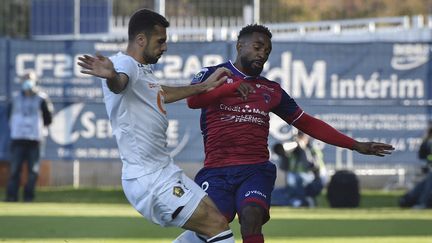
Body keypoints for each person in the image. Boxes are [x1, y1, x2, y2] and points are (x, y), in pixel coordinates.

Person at [181, 24, 395, 243]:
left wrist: (354, 144)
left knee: (251, 215)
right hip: (217, 170)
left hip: (254, 169)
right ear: (239, 45)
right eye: (257, 47)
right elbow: (193, 101)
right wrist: (228, 88)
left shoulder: (271, 90)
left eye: (267, 51)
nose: (262, 54)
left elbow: (307, 123)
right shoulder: (213, 74)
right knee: (213, 225)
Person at [77, 9, 235, 243]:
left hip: (164, 170)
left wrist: (203, 87)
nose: (165, 47)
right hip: (148, 178)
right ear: (141, 40)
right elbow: (120, 83)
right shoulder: (125, 64)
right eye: (160, 41)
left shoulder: (143, 71)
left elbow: (161, 92)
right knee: (216, 227)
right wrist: (111, 76)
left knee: (216, 222)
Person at [5, 72, 53, 202]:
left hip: (35, 139)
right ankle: (11, 197)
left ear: (35, 81)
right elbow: (9, 115)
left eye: (30, 80)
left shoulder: (42, 98)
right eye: (25, 80)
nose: (27, 82)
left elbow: (48, 118)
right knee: (15, 169)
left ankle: (28, 197)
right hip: (18, 138)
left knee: (33, 170)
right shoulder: (15, 98)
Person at [271, 131, 326, 207]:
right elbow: (283, 168)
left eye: (301, 137)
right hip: (297, 179)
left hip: (315, 179)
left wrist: (303, 150)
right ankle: (296, 201)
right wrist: (284, 155)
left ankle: (300, 201)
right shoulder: (292, 152)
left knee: (297, 178)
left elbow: (312, 166)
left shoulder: (312, 149)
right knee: (292, 179)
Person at [399, 126, 432, 209]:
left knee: (429, 182)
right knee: (425, 184)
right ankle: (408, 200)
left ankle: (423, 203)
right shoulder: (427, 143)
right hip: (428, 171)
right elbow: (422, 156)